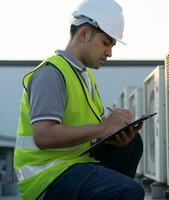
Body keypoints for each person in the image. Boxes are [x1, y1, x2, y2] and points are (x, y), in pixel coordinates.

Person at [13, 0, 145, 199]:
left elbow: (91, 132)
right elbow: (43, 136)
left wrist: (115, 130)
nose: (109, 52)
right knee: (129, 191)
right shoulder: (52, 73)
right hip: (45, 177)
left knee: (132, 143)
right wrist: (104, 128)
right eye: (106, 42)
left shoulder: (84, 77)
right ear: (84, 34)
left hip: (74, 163)